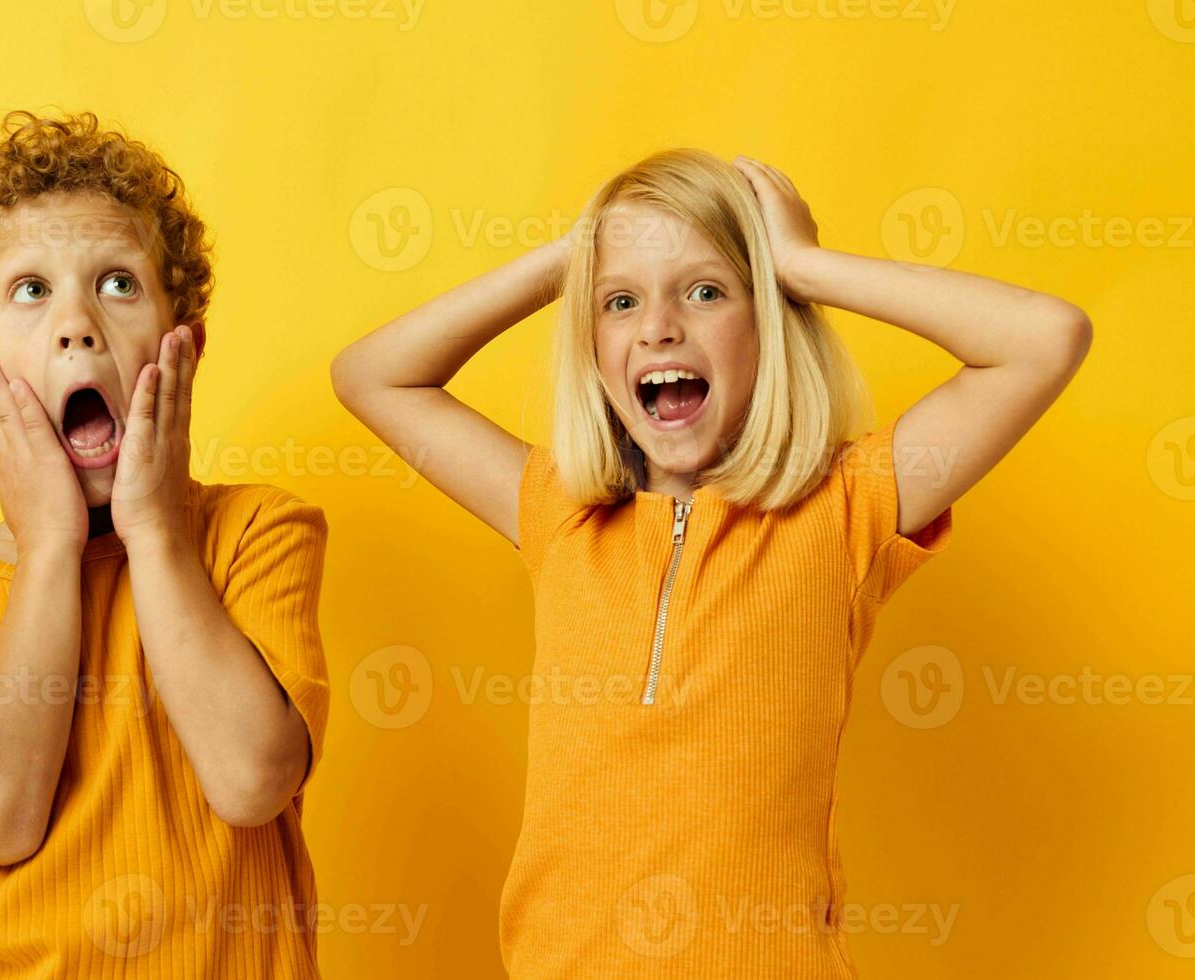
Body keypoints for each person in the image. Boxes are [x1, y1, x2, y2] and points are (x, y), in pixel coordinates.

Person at [330, 148, 1091, 977]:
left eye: (706, 291)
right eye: (620, 302)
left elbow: (1045, 339)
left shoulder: (846, 506)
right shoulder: (557, 511)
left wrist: (803, 264)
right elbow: (373, 376)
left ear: (770, 317)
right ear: (591, 346)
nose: (658, 326)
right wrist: (571, 258)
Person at [0, 110, 329, 977]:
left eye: (117, 284)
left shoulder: (258, 533)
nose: (76, 325)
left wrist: (153, 530)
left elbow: (252, 778)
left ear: (183, 343)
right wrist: (47, 554)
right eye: (30, 291)